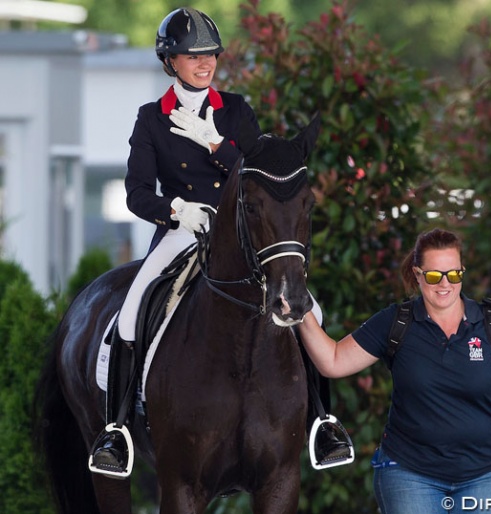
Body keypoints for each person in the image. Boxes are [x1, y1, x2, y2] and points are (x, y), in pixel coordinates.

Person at [88, 6, 351, 478]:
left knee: (311, 312)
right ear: (170, 62)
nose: (204, 62)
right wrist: (176, 211)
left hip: (239, 235)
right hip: (181, 232)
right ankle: (118, 429)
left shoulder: (236, 110)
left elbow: (259, 174)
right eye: (192, 56)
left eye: (209, 53)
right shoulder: (151, 119)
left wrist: (217, 144)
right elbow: (136, 192)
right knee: (130, 315)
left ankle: (322, 423)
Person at [297, 228, 491, 513]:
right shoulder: (396, 323)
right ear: (418, 274)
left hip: (485, 474)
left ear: (462, 272)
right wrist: (297, 303)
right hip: (408, 473)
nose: (445, 284)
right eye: (434, 276)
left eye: (454, 275)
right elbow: (333, 360)